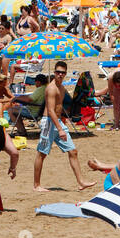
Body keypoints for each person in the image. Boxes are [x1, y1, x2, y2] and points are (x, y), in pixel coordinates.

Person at [32, 61, 96, 193]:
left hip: (58, 122)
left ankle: (81, 182)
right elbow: (50, 110)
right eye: (58, 72)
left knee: (73, 151)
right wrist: (60, 129)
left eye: (62, 72)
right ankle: (36, 185)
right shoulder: (51, 88)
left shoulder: (61, 88)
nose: (60, 75)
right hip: (49, 122)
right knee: (42, 154)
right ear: (54, 73)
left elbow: (61, 106)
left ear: (65, 74)